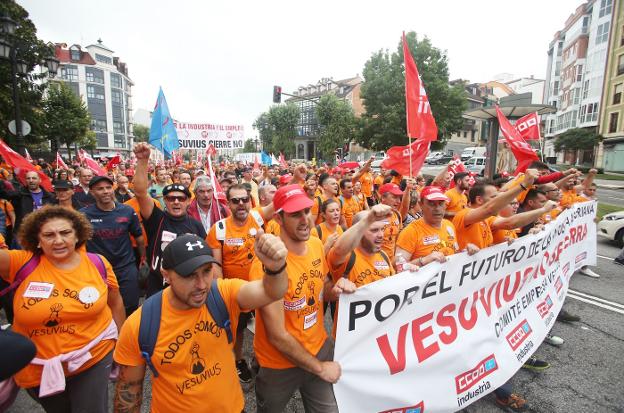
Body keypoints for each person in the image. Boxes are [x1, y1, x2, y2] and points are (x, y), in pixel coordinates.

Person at [113, 233, 289, 413]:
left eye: (206, 271)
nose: (202, 284)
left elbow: (272, 291)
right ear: (166, 275)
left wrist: (276, 268)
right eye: (189, 275)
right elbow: (128, 396)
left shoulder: (222, 294)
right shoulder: (140, 324)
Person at [0, 206, 125, 413]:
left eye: (65, 233)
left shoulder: (98, 263)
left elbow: (116, 302)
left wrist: (120, 344)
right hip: (38, 365)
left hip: (93, 354)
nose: (58, 240)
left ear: (78, 235)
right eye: (49, 235)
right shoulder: (20, 262)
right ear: (37, 240)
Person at [249, 184, 355, 413]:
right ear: (278, 218)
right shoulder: (265, 266)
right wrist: (319, 368)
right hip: (278, 365)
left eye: (306, 211)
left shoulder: (316, 245)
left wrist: (336, 289)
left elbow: (321, 291)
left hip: (319, 348)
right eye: (295, 214)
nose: (305, 219)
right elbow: (277, 336)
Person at [206, 183, 273, 383]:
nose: (241, 204)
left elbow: (280, 201)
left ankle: (261, 359)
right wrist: (222, 293)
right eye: (235, 201)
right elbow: (216, 264)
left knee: (267, 324)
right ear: (228, 204)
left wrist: (297, 177)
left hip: (262, 288)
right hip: (237, 292)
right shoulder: (219, 229)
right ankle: (238, 360)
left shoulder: (258, 217)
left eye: (245, 199)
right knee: (238, 330)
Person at [132, 143, 206, 297]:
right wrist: (142, 160)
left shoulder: (196, 226)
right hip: (158, 287)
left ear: (188, 201)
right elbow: (140, 192)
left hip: (187, 288)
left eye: (181, 198)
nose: (176, 202)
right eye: (171, 198)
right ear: (165, 200)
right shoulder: (156, 218)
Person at [82, 175, 146, 316]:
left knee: (130, 305)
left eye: (108, 187)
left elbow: (139, 237)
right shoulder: (83, 215)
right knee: (102, 306)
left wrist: (143, 258)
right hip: (98, 270)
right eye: (100, 189)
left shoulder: (127, 211)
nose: (105, 191)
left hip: (126, 267)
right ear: (92, 192)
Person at [328, 204, 395, 288]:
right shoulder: (348, 257)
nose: (381, 235)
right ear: (359, 233)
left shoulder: (383, 255)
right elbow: (339, 249)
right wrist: (368, 220)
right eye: (374, 230)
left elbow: (393, 283)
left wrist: (408, 273)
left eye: (382, 229)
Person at [2, 171, 56, 242]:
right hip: (23, 235)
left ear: (39, 180)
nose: (31, 180)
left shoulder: (50, 197)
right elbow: (4, 194)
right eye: (28, 178)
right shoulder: (19, 195)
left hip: (44, 234)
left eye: (34, 178)